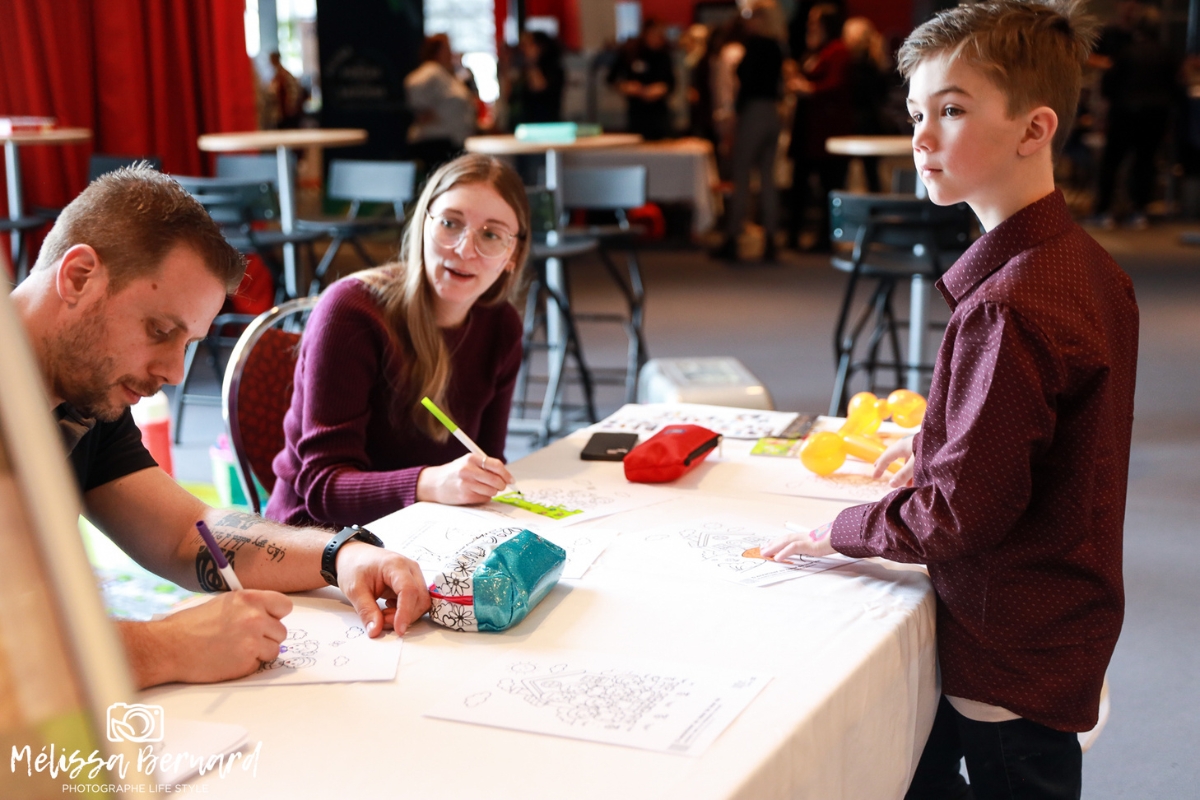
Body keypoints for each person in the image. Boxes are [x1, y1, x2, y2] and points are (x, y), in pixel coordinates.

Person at [763, 2, 1137, 798]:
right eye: (915, 115)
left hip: (1008, 639)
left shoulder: (1012, 303)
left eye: (952, 111)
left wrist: (840, 531)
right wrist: (941, 436)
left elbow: (959, 514)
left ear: (1034, 129)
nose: (922, 138)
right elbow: (1056, 437)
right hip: (1058, 611)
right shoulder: (1086, 265)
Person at [10, 166, 430, 688]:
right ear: (78, 277)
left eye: (187, 343)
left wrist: (340, 555)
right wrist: (165, 646)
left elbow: (187, 534)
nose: (174, 373)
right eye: (160, 329)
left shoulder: (84, 396)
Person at [266, 154, 528, 528]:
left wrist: (478, 482)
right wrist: (431, 483)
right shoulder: (351, 312)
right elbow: (323, 489)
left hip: (424, 528)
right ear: (423, 224)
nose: (464, 249)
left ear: (512, 255)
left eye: (491, 235)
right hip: (320, 538)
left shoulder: (501, 326)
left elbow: (486, 461)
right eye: (450, 223)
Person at [1092, 6, 1179, 229]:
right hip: (1156, 115)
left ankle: (1104, 211)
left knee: (1112, 162)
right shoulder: (1167, 54)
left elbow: (1109, 86)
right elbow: (1175, 89)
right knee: (1145, 163)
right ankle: (1139, 211)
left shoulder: (1126, 53)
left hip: (1125, 113)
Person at [712, 2, 787, 263]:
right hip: (773, 112)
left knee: (741, 173)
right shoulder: (778, 46)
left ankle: (732, 237)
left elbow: (746, 83)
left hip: (754, 111)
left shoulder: (755, 45)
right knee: (767, 178)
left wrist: (737, 115)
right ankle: (771, 239)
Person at [786, 4, 853, 251]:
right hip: (809, 130)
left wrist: (808, 88)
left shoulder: (837, 51)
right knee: (800, 183)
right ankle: (794, 235)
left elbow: (835, 85)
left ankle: (825, 237)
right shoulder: (817, 50)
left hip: (826, 131)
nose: (810, 26)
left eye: (815, 22)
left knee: (827, 185)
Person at [405, 34, 477, 171]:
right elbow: (414, 83)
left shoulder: (446, 74)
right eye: (447, 49)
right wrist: (421, 109)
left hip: (450, 142)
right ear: (437, 51)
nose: (451, 53)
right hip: (436, 143)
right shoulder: (432, 70)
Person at [608, 19, 676, 141]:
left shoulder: (664, 55)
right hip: (636, 113)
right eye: (654, 34)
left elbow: (671, 83)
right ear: (645, 34)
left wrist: (660, 89)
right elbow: (611, 79)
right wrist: (626, 86)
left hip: (659, 113)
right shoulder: (631, 53)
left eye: (660, 35)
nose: (657, 39)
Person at [510, 31, 565, 126]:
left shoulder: (553, 71)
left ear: (541, 47)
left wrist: (531, 62)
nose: (524, 48)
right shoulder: (522, 71)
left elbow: (539, 89)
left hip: (546, 126)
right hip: (522, 126)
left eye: (529, 44)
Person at [269, 51, 304, 129]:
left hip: (287, 113)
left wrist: (290, 107)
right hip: (281, 113)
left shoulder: (284, 74)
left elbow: (293, 91)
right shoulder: (277, 74)